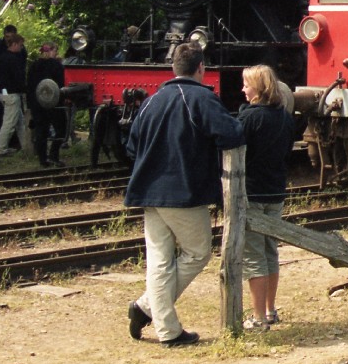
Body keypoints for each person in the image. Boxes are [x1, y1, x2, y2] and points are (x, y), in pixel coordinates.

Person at [124, 42, 244, 348]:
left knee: (159, 260)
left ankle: (164, 326)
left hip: (147, 191)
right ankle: (147, 309)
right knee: (197, 252)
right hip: (183, 192)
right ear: (201, 68)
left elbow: (131, 147)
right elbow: (231, 134)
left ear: (173, 67)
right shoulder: (201, 98)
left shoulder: (151, 102)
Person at [238, 65, 294, 331]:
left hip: (253, 191)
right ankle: (270, 309)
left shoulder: (249, 118)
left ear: (258, 88)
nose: (243, 89)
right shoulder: (284, 118)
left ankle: (258, 317)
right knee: (271, 250)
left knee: (253, 256)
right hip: (276, 190)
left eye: (246, 85)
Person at [26, 43, 66, 167]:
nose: (56, 53)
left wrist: (30, 104)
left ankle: (43, 159)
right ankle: (54, 154)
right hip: (55, 103)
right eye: (55, 51)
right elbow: (61, 84)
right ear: (50, 52)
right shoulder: (57, 66)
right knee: (61, 129)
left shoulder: (33, 66)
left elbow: (29, 86)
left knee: (41, 132)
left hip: (37, 103)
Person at [0, 33, 29, 156]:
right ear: (14, 44)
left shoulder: (2, 57)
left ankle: (27, 145)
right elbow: (17, 77)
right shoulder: (13, 59)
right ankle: (1, 149)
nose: (21, 48)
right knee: (9, 122)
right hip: (12, 93)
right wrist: (24, 88)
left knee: (20, 122)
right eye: (20, 45)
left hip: (5, 92)